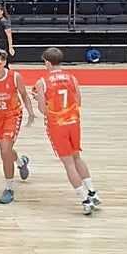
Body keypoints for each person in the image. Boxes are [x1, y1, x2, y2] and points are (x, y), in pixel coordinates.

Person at [34, 47, 102, 215]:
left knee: (68, 164)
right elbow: (78, 100)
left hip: (57, 125)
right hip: (74, 122)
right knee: (77, 157)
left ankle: (85, 200)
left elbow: (43, 109)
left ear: (48, 62)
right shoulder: (72, 78)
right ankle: (93, 192)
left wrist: (40, 99)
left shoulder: (42, 82)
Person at [0, 49, 35, 204]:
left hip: (13, 115)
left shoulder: (15, 76)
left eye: (0, 62)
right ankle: (21, 162)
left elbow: (24, 95)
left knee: (4, 151)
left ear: (5, 62)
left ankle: (9, 188)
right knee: (6, 150)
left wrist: (31, 113)